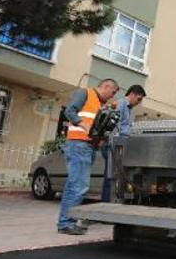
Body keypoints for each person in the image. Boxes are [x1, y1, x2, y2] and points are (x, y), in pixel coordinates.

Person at [57, 78, 119, 235]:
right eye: (112, 92)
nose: (112, 96)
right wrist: (85, 126)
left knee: (75, 184)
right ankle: (65, 223)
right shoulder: (84, 93)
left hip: (87, 147)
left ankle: (66, 221)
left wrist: (99, 139)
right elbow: (69, 111)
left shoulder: (100, 104)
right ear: (106, 86)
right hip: (79, 145)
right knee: (78, 185)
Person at [100, 84, 146, 202]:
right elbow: (113, 125)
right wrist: (114, 143)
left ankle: (112, 202)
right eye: (139, 99)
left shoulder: (128, 109)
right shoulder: (120, 104)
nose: (139, 102)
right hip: (113, 144)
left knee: (117, 176)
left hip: (118, 144)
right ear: (132, 94)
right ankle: (106, 204)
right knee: (111, 176)